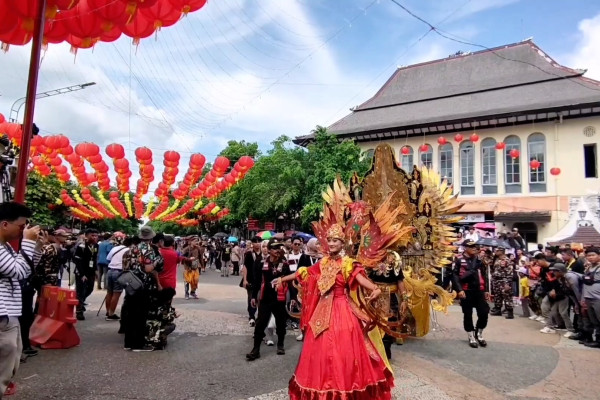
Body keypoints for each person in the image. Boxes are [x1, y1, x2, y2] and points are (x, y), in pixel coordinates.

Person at [275, 225, 393, 400]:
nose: (331, 243)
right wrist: (283, 279)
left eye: (335, 240)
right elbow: (305, 273)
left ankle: (344, 389)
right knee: (319, 351)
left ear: (342, 243)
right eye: (329, 240)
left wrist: (374, 289)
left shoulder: (348, 264)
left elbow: (361, 279)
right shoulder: (323, 262)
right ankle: (322, 388)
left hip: (342, 309)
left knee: (343, 352)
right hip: (322, 310)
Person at [0, 202, 42, 397]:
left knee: (11, 361)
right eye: (21, 226)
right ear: (5, 224)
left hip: (10, 312)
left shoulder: (6, 247)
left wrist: (35, 246)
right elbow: (18, 272)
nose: (24, 230)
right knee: (5, 363)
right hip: (3, 314)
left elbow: (25, 267)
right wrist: (27, 242)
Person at [245, 238, 290, 360]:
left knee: (281, 323)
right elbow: (257, 281)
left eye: (279, 248)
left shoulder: (284, 264)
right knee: (260, 323)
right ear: (269, 250)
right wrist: (254, 296)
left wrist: (293, 298)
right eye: (275, 248)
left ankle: (280, 344)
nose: (277, 250)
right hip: (265, 298)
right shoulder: (261, 263)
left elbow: (289, 281)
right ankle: (256, 349)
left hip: (279, 299)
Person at [450, 239, 490, 348]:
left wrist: (486, 290)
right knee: (467, 314)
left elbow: (484, 275)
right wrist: (459, 290)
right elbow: (455, 276)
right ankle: (471, 335)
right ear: (465, 248)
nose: (474, 248)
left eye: (475, 246)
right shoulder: (458, 259)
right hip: (466, 290)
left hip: (479, 290)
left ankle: (479, 333)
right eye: (471, 246)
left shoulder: (479, 259)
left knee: (484, 312)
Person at [73, 229, 99, 321]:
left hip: (91, 272)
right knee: (80, 291)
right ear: (87, 236)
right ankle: (79, 311)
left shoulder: (96, 246)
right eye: (92, 235)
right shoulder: (81, 246)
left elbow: (94, 258)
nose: (95, 237)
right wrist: (82, 274)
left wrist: (95, 270)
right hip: (81, 272)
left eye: (96, 235)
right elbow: (77, 261)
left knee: (90, 289)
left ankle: (80, 302)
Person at [104, 237, 130, 321]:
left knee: (109, 292)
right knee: (116, 293)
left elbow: (108, 258)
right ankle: (111, 314)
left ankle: (108, 311)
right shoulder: (129, 250)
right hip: (119, 272)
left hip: (110, 270)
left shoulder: (115, 248)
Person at [242, 236, 262, 327]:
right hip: (250, 279)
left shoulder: (263, 254)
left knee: (260, 298)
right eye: (255, 242)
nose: (257, 243)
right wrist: (245, 279)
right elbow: (245, 267)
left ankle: (260, 316)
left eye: (259, 242)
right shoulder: (249, 254)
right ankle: (251, 316)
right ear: (252, 244)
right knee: (251, 298)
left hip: (261, 280)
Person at [582, 247, 600, 348]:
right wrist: (583, 299)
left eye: (593, 255)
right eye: (588, 256)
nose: (591, 257)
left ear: (598, 256)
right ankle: (597, 340)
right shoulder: (588, 268)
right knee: (594, 321)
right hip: (588, 298)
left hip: (598, 298)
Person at [490, 247, 515, 319]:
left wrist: (507, 283)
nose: (496, 252)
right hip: (496, 280)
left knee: (507, 296)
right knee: (497, 296)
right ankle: (498, 310)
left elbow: (510, 273)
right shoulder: (497, 259)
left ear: (502, 251)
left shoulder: (507, 260)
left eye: (497, 250)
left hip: (504, 280)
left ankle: (510, 312)